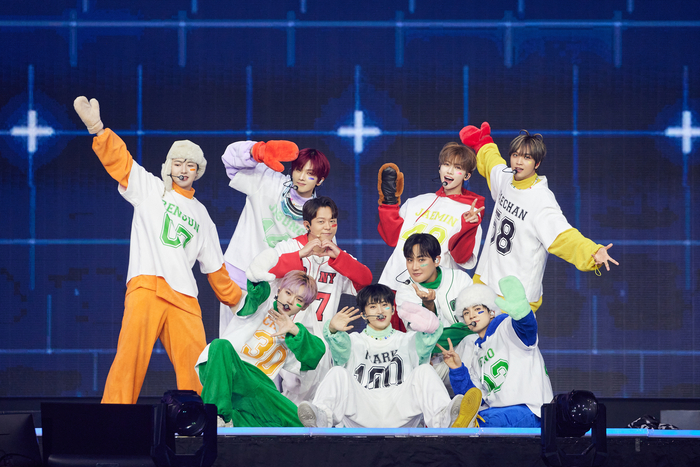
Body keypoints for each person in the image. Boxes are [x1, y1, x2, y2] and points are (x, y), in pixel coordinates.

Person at [73, 96, 242, 404]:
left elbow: (216, 269)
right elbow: (121, 162)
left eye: (190, 165)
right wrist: (97, 129)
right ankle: (111, 422)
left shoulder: (203, 215)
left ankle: (203, 423)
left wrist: (240, 301)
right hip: (147, 285)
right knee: (129, 358)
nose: (183, 169)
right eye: (178, 163)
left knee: (197, 366)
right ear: (168, 166)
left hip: (185, 297)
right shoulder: (151, 188)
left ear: (198, 171)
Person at [459, 123, 619, 311]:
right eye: (515, 155)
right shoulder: (506, 179)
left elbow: (563, 236)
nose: (519, 162)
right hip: (486, 280)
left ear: (537, 163)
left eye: (527, 157)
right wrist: (483, 142)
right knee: (469, 326)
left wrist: (593, 252)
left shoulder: (541, 199)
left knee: (505, 331)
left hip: (516, 294)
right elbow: (492, 162)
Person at [297, 284, 479, 428]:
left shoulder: (410, 339)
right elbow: (340, 347)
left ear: (393, 310)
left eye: (385, 305)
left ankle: (446, 420)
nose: (380, 311)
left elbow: (428, 339)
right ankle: (322, 418)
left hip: (401, 411)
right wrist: (332, 330)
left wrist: (430, 323)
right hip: (362, 413)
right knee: (338, 372)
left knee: (424, 370)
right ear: (364, 314)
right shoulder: (352, 341)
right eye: (373, 306)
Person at [246, 196, 372, 403]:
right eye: (321, 221)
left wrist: (339, 257)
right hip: (282, 332)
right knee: (275, 390)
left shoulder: (339, 257)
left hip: (319, 339)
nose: (328, 227)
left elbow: (366, 279)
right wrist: (299, 255)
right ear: (307, 225)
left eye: (332, 221)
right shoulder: (289, 247)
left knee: (317, 396)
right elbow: (263, 271)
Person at [218, 141, 330, 333]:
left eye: (310, 174)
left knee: (258, 348)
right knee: (227, 342)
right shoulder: (268, 181)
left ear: (320, 180)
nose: (302, 177)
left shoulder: (319, 217)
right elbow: (230, 161)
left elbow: (319, 264)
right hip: (239, 276)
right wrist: (257, 151)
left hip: (275, 291)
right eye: (298, 170)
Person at [195, 270, 325, 427]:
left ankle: (233, 421)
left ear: (304, 307)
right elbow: (257, 293)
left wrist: (294, 330)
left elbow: (316, 354)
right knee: (220, 345)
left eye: (299, 300)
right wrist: (257, 276)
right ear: (279, 290)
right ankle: (213, 415)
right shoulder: (262, 304)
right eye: (288, 293)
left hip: (256, 386)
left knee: (296, 420)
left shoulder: (295, 335)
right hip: (226, 369)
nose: (290, 301)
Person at [437, 277, 553, 427]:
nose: (472, 315)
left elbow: (528, 331)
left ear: (491, 312)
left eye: (477, 309)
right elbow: (474, 399)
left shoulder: (507, 327)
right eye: (466, 313)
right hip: (497, 412)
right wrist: (457, 370)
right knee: (469, 420)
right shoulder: (476, 353)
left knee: (478, 425)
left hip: (531, 410)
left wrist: (522, 314)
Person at [376, 142, 485, 293]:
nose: (450, 171)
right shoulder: (416, 201)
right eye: (446, 164)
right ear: (440, 167)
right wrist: (389, 203)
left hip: (433, 293)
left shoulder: (469, 213)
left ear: (467, 176)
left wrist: (469, 226)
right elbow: (391, 238)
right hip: (393, 285)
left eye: (458, 167)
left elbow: (462, 258)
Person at [395, 233, 474, 328]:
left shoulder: (460, 278)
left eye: (421, 260)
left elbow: (478, 317)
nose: (414, 267)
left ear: (436, 260)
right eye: (410, 260)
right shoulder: (404, 292)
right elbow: (423, 331)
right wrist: (428, 305)